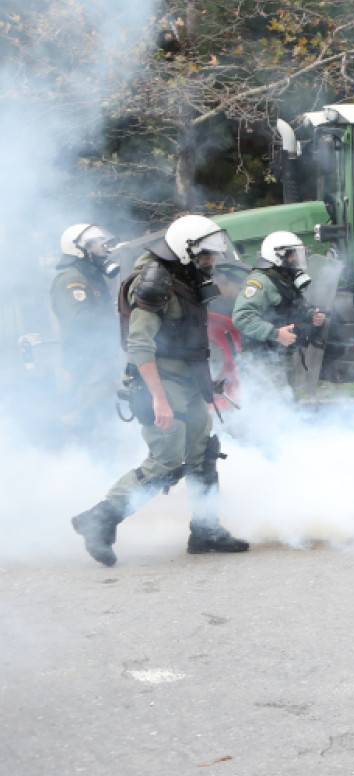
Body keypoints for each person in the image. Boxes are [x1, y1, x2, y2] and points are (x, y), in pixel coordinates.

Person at [69, 215, 250, 566]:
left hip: (186, 379)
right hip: (160, 380)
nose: (210, 262)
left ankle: (206, 529)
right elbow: (139, 345)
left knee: (203, 452)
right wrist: (159, 397)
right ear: (185, 251)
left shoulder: (184, 275)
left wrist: (203, 380)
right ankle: (101, 518)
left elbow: (187, 338)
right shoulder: (154, 281)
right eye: (206, 256)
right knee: (166, 461)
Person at [50, 223, 121, 444]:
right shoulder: (72, 279)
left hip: (100, 358)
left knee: (106, 415)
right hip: (86, 363)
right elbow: (78, 319)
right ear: (78, 250)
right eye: (95, 245)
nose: (102, 248)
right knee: (93, 420)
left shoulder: (91, 276)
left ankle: (103, 466)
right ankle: (94, 469)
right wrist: (115, 319)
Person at [231, 231, 326, 389]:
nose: (295, 259)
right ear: (277, 256)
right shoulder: (259, 282)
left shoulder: (284, 278)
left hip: (279, 356)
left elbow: (291, 307)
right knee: (272, 408)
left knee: (286, 405)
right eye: (291, 255)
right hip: (261, 360)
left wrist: (312, 316)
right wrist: (276, 334)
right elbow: (242, 318)